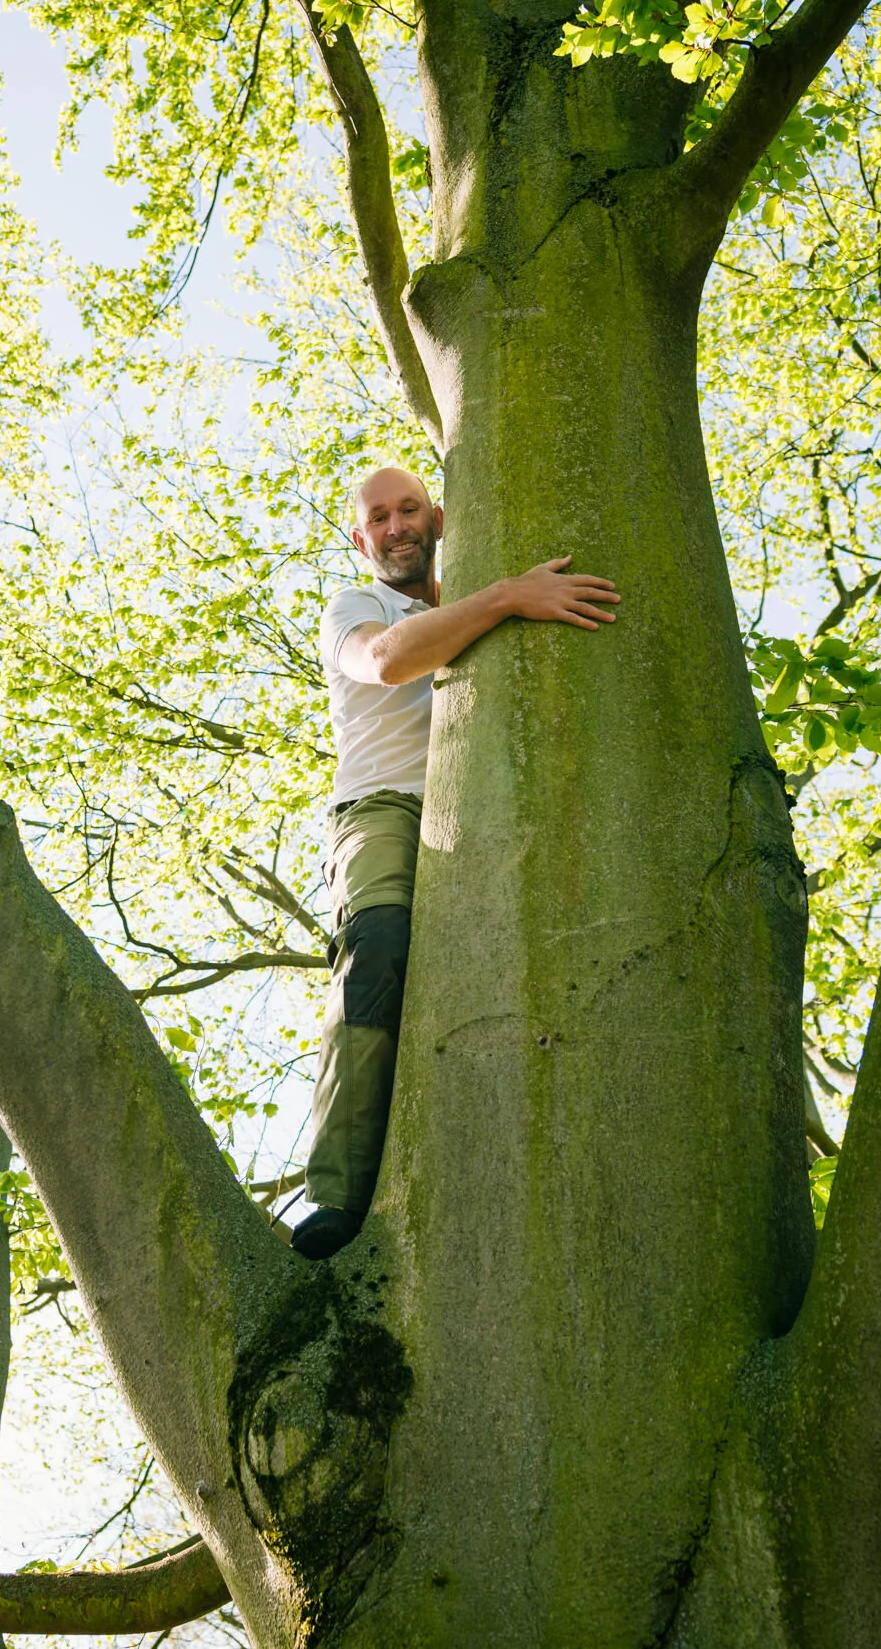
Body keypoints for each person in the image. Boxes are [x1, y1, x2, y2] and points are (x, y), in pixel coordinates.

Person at [289, 466, 620, 1259]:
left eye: (409, 509)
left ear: (438, 517)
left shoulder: (468, 590)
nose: (397, 525)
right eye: (380, 517)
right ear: (360, 537)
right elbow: (390, 660)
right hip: (386, 808)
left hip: (488, 815)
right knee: (377, 951)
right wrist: (507, 596)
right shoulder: (358, 605)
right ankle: (337, 1189)